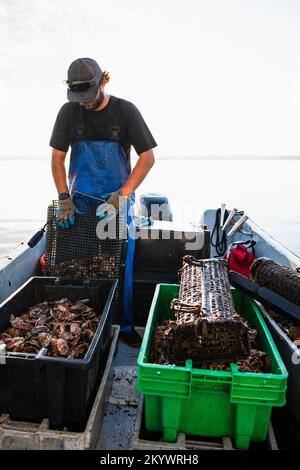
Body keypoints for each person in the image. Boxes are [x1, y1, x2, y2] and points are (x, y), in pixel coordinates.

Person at [50, 57, 156, 347]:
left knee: (121, 264)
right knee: (76, 264)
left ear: (103, 82)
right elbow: (58, 158)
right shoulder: (68, 113)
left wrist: (123, 194)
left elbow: (147, 157)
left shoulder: (126, 112)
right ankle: (81, 324)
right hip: (79, 203)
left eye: (88, 95)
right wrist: (63, 198)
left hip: (117, 202)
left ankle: (123, 327)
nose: (83, 102)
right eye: (77, 96)